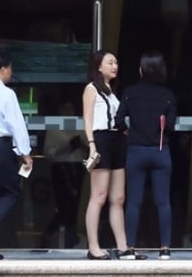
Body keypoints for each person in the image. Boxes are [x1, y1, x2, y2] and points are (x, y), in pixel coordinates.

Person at [114, 51, 178, 260]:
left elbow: (119, 119)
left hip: (136, 150)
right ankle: (165, 248)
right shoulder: (168, 95)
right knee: (163, 201)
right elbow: (169, 126)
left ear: (141, 71)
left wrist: (130, 132)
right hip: (161, 151)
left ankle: (130, 246)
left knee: (134, 201)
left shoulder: (130, 92)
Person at [82, 49, 141, 260]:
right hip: (101, 140)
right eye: (110, 62)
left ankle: (123, 247)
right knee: (98, 196)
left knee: (119, 197)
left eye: (116, 62)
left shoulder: (111, 91)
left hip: (117, 140)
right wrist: (91, 145)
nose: (114, 66)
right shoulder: (91, 89)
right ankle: (93, 247)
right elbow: (87, 119)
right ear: (98, 66)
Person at [0, 50, 33, 260]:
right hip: (0, 147)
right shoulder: (6, 93)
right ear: (2, 69)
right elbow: (16, 124)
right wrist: (25, 153)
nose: (11, 72)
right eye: (10, 68)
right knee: (11, 193)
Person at [42, 100, 85, 248]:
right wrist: (67, 147)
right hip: (60, 168)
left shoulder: (79, 126)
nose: (69, 111)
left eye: (71, 108)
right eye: (65, 108)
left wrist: (82, 144)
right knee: (63, 205)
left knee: (76, 204)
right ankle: (49, 234)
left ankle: (71, 239)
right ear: (60, 110)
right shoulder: (53, 128)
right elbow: (48, 152)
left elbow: (88, 147)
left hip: (79, 167)